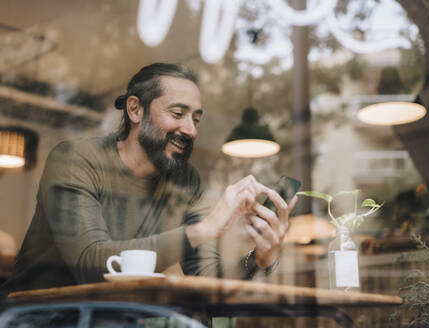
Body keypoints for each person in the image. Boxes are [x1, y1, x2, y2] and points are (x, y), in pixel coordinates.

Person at [0, 63, 296, 296]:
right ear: (135, 109)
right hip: (34, 318)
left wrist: (258, 259)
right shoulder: (76, 159)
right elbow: (89, 264)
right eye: (178, 113)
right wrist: (205, 229)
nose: (190, 129)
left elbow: (205, 279)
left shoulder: (185, 180)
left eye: (195, 118)